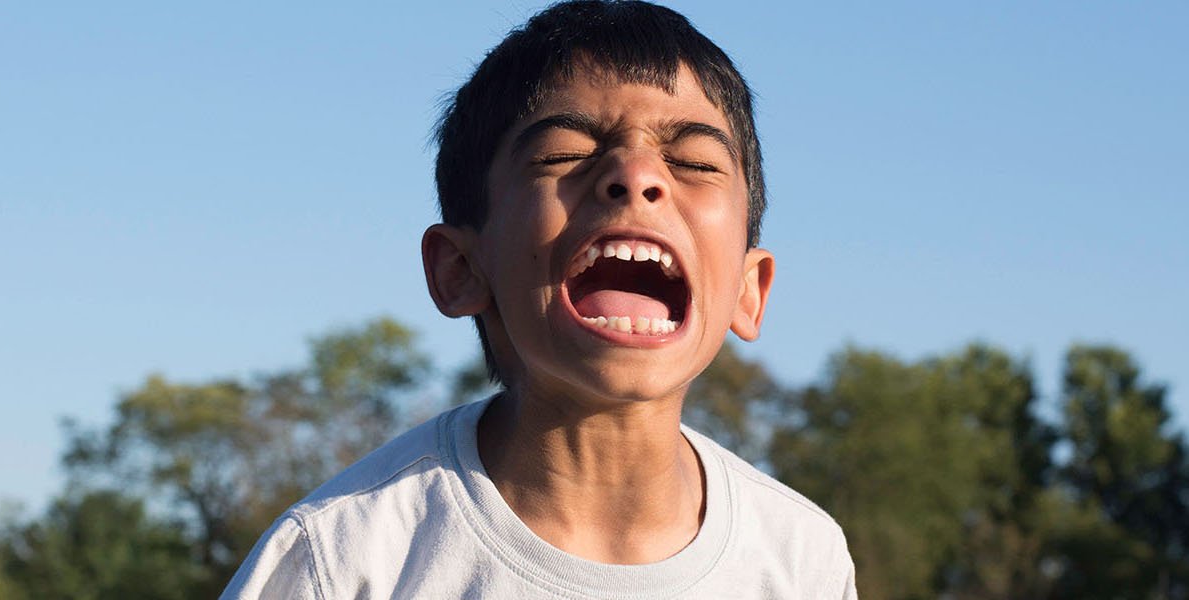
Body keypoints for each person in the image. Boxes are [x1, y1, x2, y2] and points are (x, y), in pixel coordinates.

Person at [223, 1, 857, 597]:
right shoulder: (343, 559)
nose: (635, 176)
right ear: (460, 268)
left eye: (693, 161)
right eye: (565, 153)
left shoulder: (801, 559)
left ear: (749, 290)